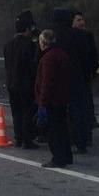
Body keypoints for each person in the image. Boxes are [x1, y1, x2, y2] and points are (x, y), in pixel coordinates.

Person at [50, 8, 90, 153]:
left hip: (57, 80)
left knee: (57, 113)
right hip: (76, 78)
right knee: (78, 111)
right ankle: (81, 143)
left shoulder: (51, 35)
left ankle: (61, 144)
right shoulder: (79, 35)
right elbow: (87, 57)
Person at [35, 29, 73, 168]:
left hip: (52, 100)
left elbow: (47, 82)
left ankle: (58, 158)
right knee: (62, 128)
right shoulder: (62, 54)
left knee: (54, 131)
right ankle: (66, 155)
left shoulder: (48, 58)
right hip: (62, 98)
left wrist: (42, 102)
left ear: (44, 42)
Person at [4, 10, 39, 149]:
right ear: (27, 29)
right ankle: (27, 140)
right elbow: (33, 66)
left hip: (12, 83)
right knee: (27, 112)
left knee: (16, 112)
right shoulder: (29, 45)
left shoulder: (8, 45)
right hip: (26, 84)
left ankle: (18, 138)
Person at [72, 11, 99, 132]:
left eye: (82, 20)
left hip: (86, 72)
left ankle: (90, 119)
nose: (82, 22)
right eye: (78, 20)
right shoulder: (70, 36)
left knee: (88, 97)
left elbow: (93, 54)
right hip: (75, 74)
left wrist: (93, 69)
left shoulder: (88, 35)